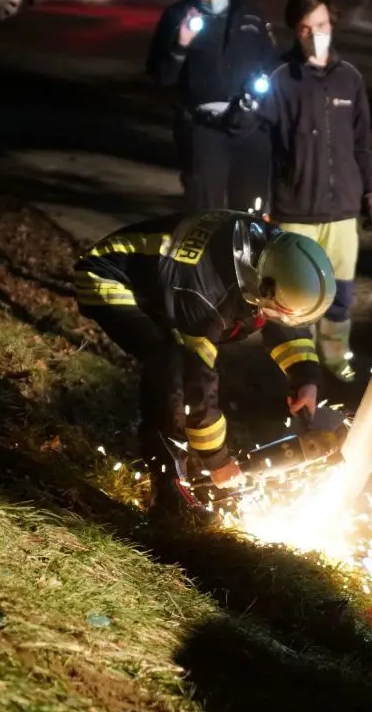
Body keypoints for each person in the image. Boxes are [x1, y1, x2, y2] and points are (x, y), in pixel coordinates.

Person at [73, 211, 334, 524]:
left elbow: (279, 316)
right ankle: (169, 494)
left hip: (167, 283)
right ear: (263, 285)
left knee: (183, 363)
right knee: (169, 370)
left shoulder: (272, 251)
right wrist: (217, 460)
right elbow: (197, 384)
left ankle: (191, 466)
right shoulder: (202, 295)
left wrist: (304, 375)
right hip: (107, 275)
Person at [262, 0, 372, 382]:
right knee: (296, 298)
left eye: (321, 24)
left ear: (332, 23)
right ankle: (301, 369)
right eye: (305, 27)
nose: (315, 33)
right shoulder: (281, 79)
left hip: (343, 208)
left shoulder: (349, 79)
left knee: (341, 295)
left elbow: (362, 141)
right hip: (296, 210)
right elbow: (262, 144)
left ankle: (335, 359)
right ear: (294, 32)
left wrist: (371, 191)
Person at [147, 0, 277, 214]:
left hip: (248, 126)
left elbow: (271, 65)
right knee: (204, 213)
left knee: (252, 212)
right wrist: (181, 44)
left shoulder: (250, 13)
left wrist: (261, 104)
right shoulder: (177, 17)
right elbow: (161, 75)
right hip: (202, 130)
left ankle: (247, 255)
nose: (211, 0)